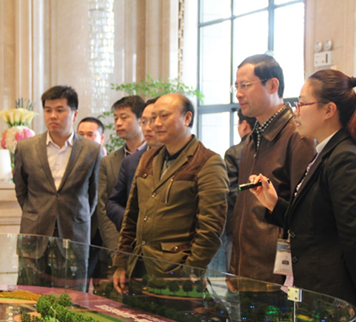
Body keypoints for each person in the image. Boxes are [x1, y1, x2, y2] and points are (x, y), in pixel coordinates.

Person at [248, 69, 356, 322]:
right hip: (318, 291)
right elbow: (313, 224)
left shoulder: (345, 158)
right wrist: (273, 203)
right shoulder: (326, 153)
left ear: (328, 110)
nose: (295, 111)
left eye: (302, 103)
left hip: (337, 295)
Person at [112, 93, 228, 293]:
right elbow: (132, 216)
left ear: (187, 118)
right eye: (152, 118)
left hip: (176, 273)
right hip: (138, 267)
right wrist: (121, 262)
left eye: (164, 116)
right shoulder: (148, 158)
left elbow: (210, 229)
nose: (156, 124)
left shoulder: (207, 162)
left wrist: (190, 272)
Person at [228, 54, 314, 284]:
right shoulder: (253, 137)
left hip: (275, 275)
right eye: (236, 86)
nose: (238, 94)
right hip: (247, 269)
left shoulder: (297, 135)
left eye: (245, 85)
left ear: (272, 85)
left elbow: (305, 213)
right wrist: (235, 267)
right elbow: (244, 209)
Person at [13, 85, 102, 291]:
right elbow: (21, 191)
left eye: (60, 110)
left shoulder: (92, 150)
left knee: (72, 298)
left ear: (74, 114)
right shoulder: (26, 147)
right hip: (35, 233)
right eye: (48, 110)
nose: (53, 116)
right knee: (30, 295)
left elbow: (93, 195)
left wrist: (75, 216)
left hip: (74, 235)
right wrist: (38, 212)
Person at [97, 96, 146, 274]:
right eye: (116, 118)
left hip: (149, 253)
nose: (118, 123)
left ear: (141, 120)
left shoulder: (158, 155)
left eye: (124, 118)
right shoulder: (108, 161)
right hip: (114, 250)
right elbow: (103, 208)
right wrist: (116, 251)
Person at [207, 109, 256, 273]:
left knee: (234, 271)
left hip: (236, 224)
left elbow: (232, 190)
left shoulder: (233, 152)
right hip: (261, 223)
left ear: (244, 125)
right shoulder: (265, 148)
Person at [106, 97, 161, 230]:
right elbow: (112, 203)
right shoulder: (131, 161)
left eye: (153, 120)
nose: (148, 128)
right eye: (144, 122)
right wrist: (131, 223)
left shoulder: (191, 160)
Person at [76, 117, 109, 287]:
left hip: (104, 235)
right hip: (81, 232)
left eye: (90, 134)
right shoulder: (72, 165)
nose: (85, 139)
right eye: (81, 134)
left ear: (101, 138)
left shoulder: (111, 163)